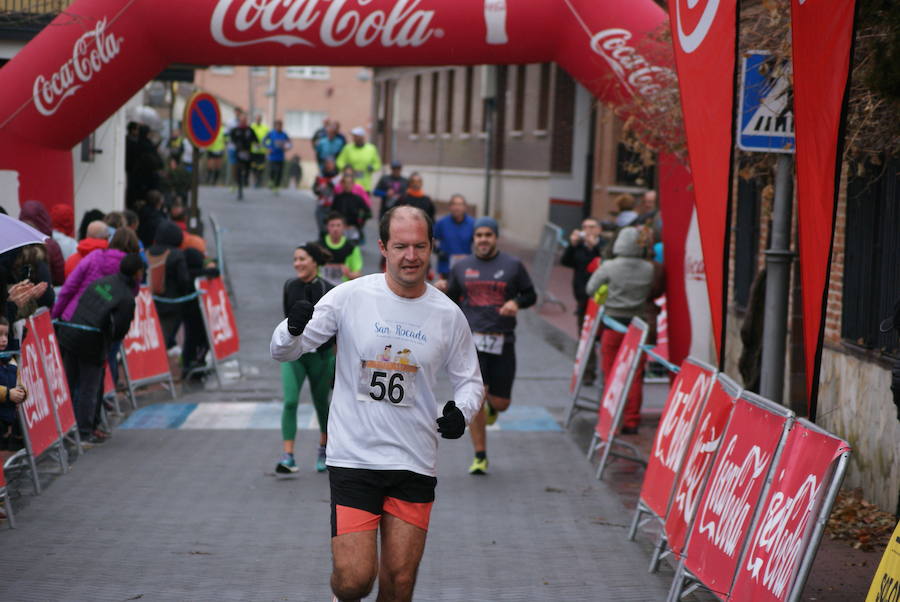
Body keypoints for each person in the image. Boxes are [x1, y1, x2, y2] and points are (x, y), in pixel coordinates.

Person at [270, 205, 482, 602]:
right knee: (354, 580)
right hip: (355, 458)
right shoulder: (349, 297)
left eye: (420, 246)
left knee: (399, 584)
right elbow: (285, 350)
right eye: (401, 246)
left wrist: (461, 413)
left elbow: (470, 381)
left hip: (414, 459)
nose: (411, 256)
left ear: (432, 247)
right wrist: (291, 327)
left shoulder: (448, 314)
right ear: (383, 246)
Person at [441, 216, 537, 475]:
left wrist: (516, 303)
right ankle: (480, 455)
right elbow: (451, 300)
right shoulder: (461, 268)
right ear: (474, 239)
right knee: (477, 395)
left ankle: (495, 406)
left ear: (495, 238)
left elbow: (530, 294)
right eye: (479, 235)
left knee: (502, 402)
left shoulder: (513, 266)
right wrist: (440, 290)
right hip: (472, 342)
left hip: (503, 340)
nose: (483, 240)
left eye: (488, 235)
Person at [585, 226, 664, 434]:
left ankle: (610, 419)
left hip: (612, 324)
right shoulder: (649, 269)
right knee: (635, 374)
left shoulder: (609, 267)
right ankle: (632, 420)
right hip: (637, 326)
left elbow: (590, 289)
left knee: (611, 372)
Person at [58, 253, 142, 443]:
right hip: (92, 342)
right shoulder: (126, 298)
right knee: (89, 387)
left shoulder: (101, 281)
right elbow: (120, 331)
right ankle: (84, 432)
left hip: (71, 333)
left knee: (69, 384)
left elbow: (81, 302)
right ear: (138, 273)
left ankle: (64, 429)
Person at [276, 242, 336, 475]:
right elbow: (286, 321)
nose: (297, 264)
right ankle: (288, 456)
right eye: (295, 260)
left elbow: (335, 328)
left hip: (321, 357)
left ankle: (323, 449)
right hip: (295, 357)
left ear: (314, 261)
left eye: (302, 259)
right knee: (290, 401)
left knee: (322, 404)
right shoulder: (289, 286)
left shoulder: (329, 288)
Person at [53, 228, 141, 322]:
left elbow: (70, 286)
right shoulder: (132, 269)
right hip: (103, 325)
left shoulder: (95, 256)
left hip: (73, 315)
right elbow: (133, 294)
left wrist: (55, 314)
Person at [561, 216, 604, 385]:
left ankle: (606, 372)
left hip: (601, 299)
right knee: (586, 336)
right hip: (583, 299)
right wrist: (571, 245)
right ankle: (588, 373)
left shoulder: (604, 246)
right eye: (585, 227)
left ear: (599, 229)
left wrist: (596, 247)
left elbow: (607, 262)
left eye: (592, 227)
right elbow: (565, 261)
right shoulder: (578, 247)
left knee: (603, 337)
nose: (588, 230)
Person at [147, 221, 192, 349]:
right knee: (164, 336)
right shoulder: (177, 254)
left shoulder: (147, 251)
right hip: (171, 302)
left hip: (150, 300)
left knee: (152, 334)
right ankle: (159, 363)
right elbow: (183, 280)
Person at [0, 315, 27, 463]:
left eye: (5, 334)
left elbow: (19, 381)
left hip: (8, 416)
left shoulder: (10, 359)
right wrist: (8, 394)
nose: (3, 339)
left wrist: (22, 392)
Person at [19, 200, 65, 286]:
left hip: (16, 295)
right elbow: (60, 278)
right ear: (43, 217)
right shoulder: (51, 245)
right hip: (46, 292)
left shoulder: (14, 242)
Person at [432, 193, 474, 280]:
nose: (457, 207)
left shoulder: (473, 224)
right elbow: (431, 240)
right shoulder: (441, 223)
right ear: (450, 207)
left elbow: (478, 243)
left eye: (460, 204)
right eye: (454, 204)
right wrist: (438, 251)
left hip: (466, 268)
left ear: (465, 207)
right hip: (446, 268)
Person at [319, 212, 363, 283]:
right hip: (321, 287)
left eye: (338, 225)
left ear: (344, 227)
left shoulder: (352, 248)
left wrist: (349, 274)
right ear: (327, 227)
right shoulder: (319, 246)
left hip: (342, 288)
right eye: (332, 225)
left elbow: (358, 273)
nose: (335, 229)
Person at [335, 126, 381, 193]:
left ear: (362, 137)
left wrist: (372, 168)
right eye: (353, 136)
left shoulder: (371, 149)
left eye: (356, 136)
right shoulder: (347, 148)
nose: (354, 138)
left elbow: (377, 164)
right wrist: (345, 167)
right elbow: (339, 161)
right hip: (350, 186)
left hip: (365, 186)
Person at [229, 114, 258, 201]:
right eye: (242, 120)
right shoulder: (235, 130)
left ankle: (245, 179)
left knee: (247, 170)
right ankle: (239, 190)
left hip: (248, 154)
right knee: (238, 171)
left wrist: (256, 146)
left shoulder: (250, 130)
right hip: (238, 154)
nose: (243, 122)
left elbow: (256, 140)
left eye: (245, 120)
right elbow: (231, 140)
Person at [264, 119, 293, 192]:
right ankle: (271, 181)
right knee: (273, 170)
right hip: (272, 156)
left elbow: (290, 143)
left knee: (279, 172)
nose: (279, 127)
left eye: (280, 125)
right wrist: (268, 148)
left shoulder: (284, 134)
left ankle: (276, 186)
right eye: (277, 125)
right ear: (275, 126)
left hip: (280, 156)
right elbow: (264, 141)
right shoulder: (271, 133)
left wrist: (287, 147)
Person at [250, 114, 270, 188]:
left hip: (262, 150)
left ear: (261, 120)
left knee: (261, 167)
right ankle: (255, 180)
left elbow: (268, 139)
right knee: (253, 166)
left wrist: (267, 147)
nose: (258, 120)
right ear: (255, 119)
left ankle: (259, 180)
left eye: (259, 119)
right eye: (257, 119)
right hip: (253, 150)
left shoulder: (265, 128)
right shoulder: (252, 127)